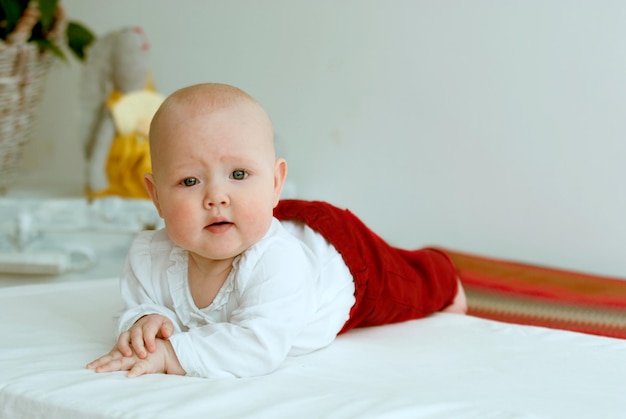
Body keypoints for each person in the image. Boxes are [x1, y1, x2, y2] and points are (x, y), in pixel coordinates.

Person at [87, 83, 467, 379]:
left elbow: (257, 346)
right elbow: (139, 303)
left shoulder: (276, 262)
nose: (216, 197)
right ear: (156, 197)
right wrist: (144, 322)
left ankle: (447, 277)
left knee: (408, 286)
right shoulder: (147, 256)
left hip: (342, 258)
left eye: (239, 175)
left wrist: (172, 354)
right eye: (189, 181)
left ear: (275, 182)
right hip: (270, 220)